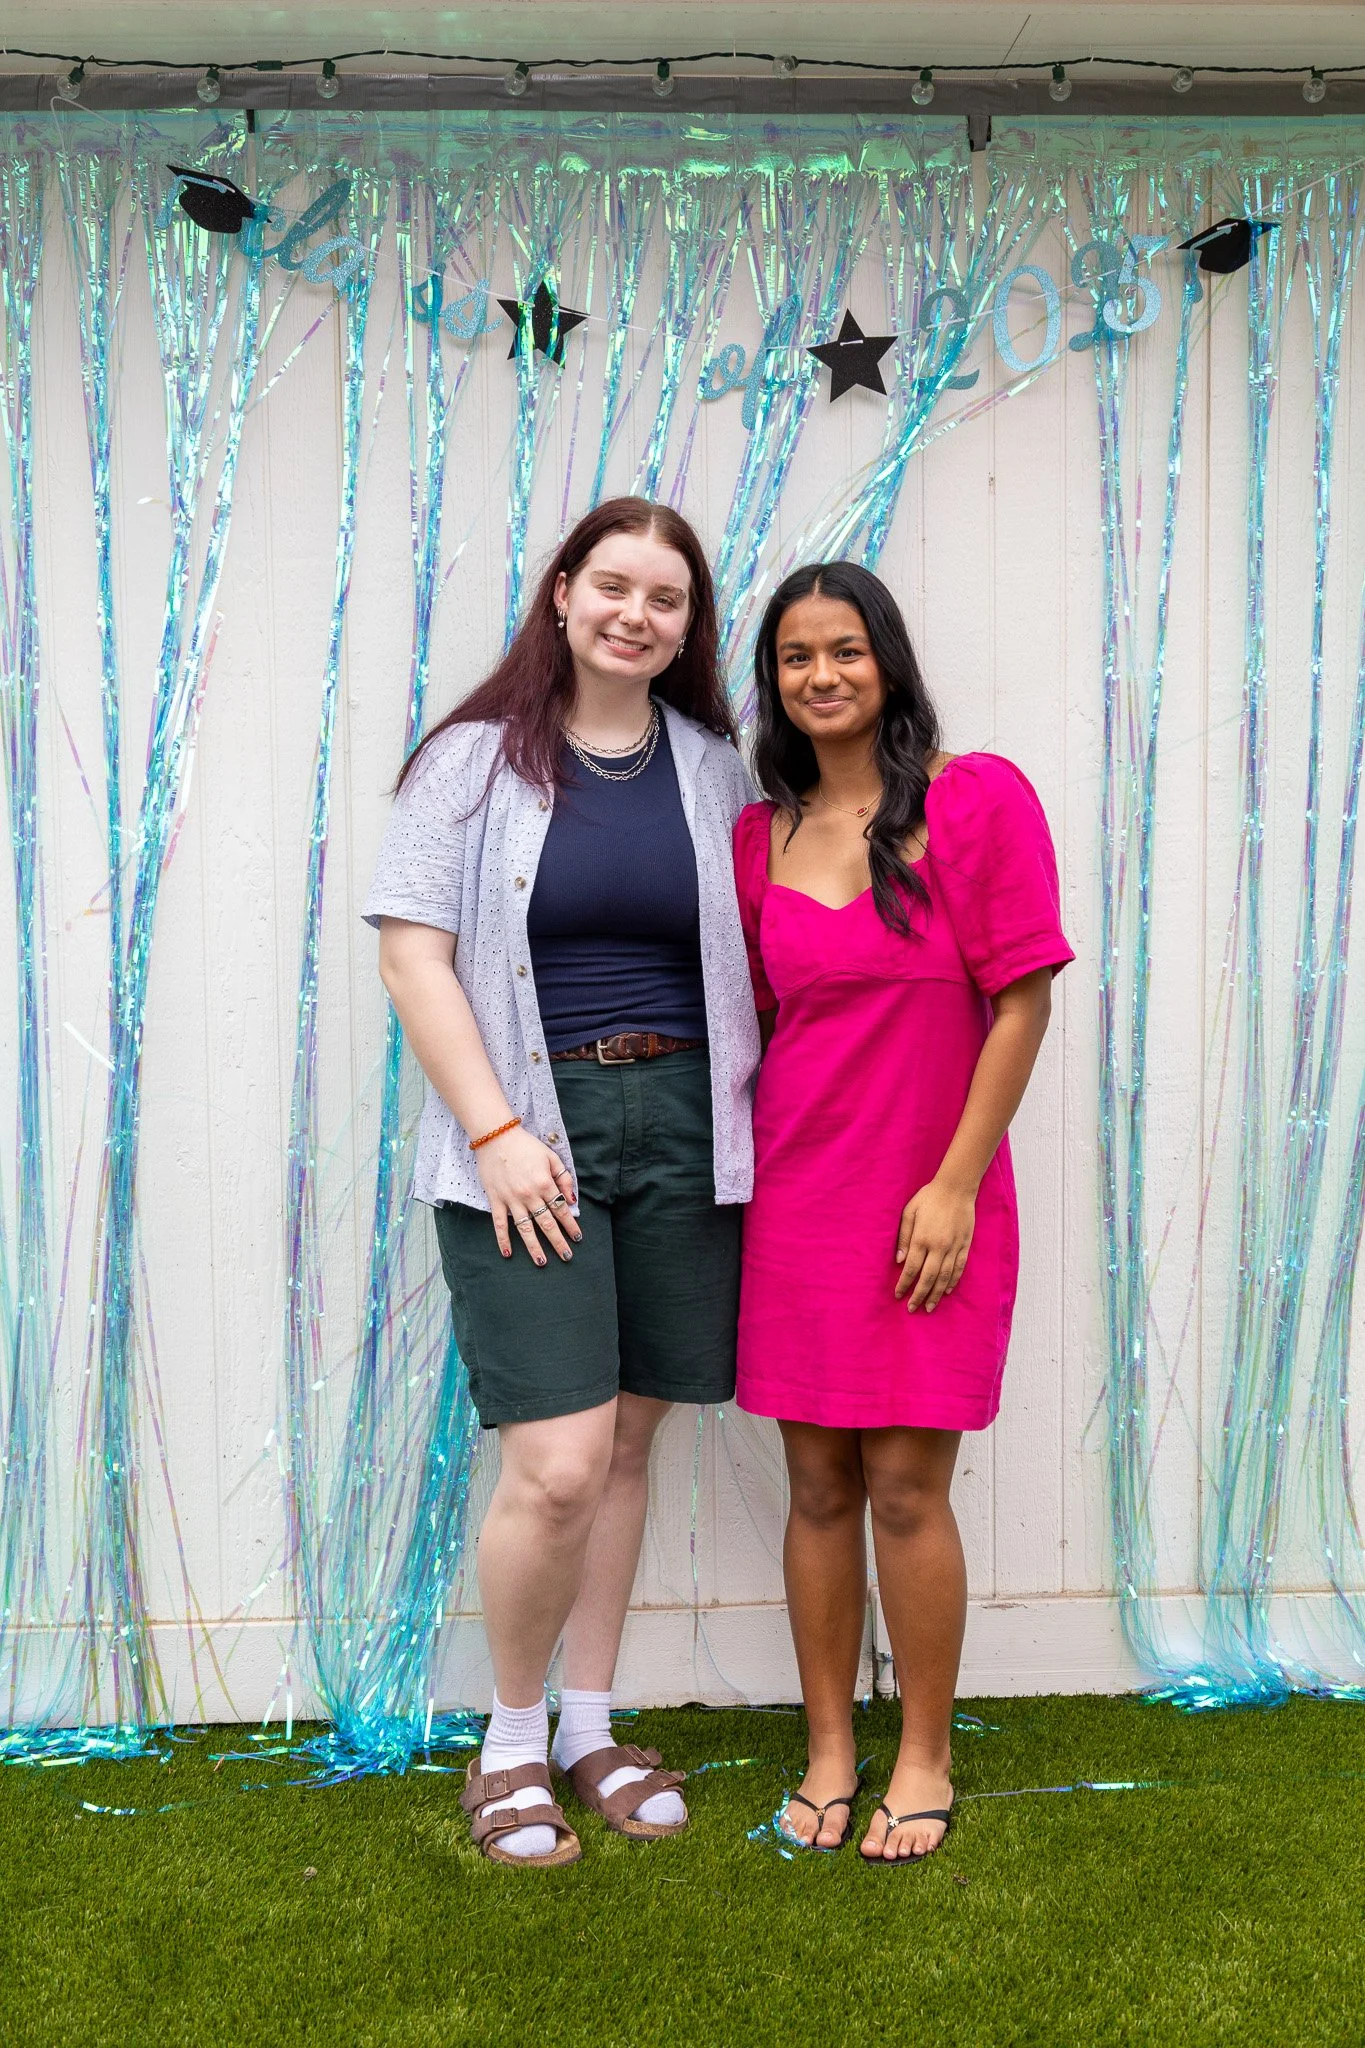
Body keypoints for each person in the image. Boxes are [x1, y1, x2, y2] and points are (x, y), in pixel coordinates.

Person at [364, 498, 758, 1868]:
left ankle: (590, 1726)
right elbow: (412, 952)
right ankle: (512, 1742)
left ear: (689, 626)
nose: (636, 615)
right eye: (615, 587)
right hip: (531, 1133)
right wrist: (495, 1132)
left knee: (631, 1444)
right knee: (559, 1463)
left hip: (689, 1130)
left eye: (667, 598)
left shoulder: (717, 770)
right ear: (563, 593)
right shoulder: (471, 762)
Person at [732, 561, 1072, 1865]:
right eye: (795, 657)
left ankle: (924, 1755)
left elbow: (1021, 1002)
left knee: (909, 1490)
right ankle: (829, 1750)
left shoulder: (978, 799)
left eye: (846, 650)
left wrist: (954, 1185)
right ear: (773, 682)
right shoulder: (758, 839)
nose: (821, 675)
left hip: (932, 1197)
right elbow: (766, 1028)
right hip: (799, 1196)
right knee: (816, 1485)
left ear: (889, 661)